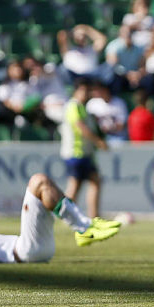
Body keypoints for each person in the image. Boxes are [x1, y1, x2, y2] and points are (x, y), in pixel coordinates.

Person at [60, 79, 108, 219]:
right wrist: (98, 141)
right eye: (84, 90)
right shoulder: (73, 106)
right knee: (75, 185)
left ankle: (94, 216)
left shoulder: (82, 107)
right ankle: (66, 216)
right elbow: (80, 127)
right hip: (76, 153)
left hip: (85, 153)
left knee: (95, 181)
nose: (87, 93)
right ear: (76, 90)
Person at [105, 25, 145, 93]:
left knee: (146, 81)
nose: (128, 35)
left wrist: (138, 74)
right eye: (125, 33)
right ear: (120, 34)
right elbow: (112, 66)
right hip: (119, 76)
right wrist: (127, 74)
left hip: (135, 77)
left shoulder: (138, 48)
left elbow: (142, 66)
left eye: (130, 33)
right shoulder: (113, 46)